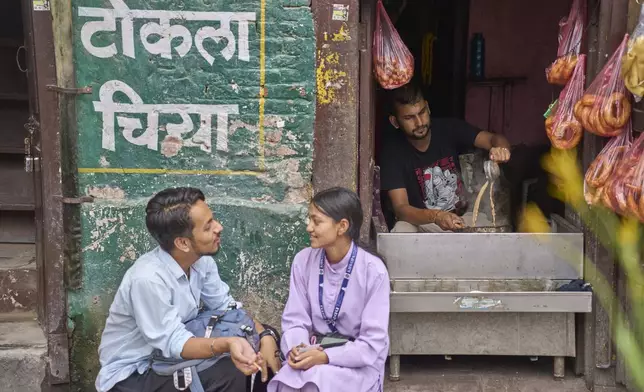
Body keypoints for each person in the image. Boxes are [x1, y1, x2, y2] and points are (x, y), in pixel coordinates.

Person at [95, 187, 281, 392]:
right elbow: (174, 342)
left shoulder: (201, 262)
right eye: (208, 227)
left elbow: (228, 308)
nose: (219, 227)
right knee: (229, 369)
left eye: (214, 220)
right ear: (183, 243)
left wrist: (265, 336)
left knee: (260, 342)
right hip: (136, 374)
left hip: (168, 358)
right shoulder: (147, 279)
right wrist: (227, 344)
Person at [268, 187, 390, 392]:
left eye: (317, 221)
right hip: (313, 352)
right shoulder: (303, 261)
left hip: (357, 363)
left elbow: (371, 345)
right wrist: (298, 349)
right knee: (289, 379)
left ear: (342, 226)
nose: (309, 227)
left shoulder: (373, 271)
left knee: (316, 380)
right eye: (309, 219)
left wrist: (325, 357)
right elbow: (295, 320)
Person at [379, 82, 512, 232]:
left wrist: (501, 149)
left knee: (490, 224)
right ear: (395, 122)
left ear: (428, 108)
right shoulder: (392, 152)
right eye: (409, 118)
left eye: (422, 112)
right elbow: (401, 209)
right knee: (402, 229)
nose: (419, 122)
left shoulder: (449, 129)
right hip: (425, 223)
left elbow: (493, 139)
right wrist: (436, 216)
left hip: (463, 219)